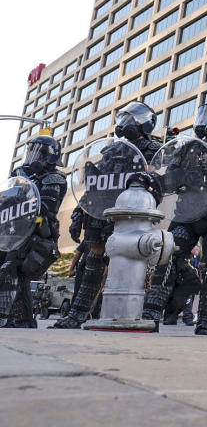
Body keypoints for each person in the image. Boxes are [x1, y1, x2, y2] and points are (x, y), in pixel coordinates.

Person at [54, 103, 162, 329]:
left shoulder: (153, 150)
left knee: (130, 264)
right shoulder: (111, 150)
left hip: (129, 214)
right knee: (92, 263)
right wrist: (79, 212)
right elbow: (94, 186)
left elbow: (159, 183)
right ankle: (77, 314)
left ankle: (138, 314)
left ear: (144, 123)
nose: (125, 124)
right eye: (124, 119)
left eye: (131, 120)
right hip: (102, 213)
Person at [142, 102, 207, 335]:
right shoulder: (187, 149)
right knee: (167, 255)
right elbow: (171, 181)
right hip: (187, 214)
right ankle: (152, 314)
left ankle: (205, 320)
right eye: (204, 115)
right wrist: (153, 178)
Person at [0, 136, 67, 327]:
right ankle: (22, 320)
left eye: (39, 152)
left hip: (38, 234)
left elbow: (46, 206)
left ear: (50, 156)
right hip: (14, 232)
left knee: (13, 272)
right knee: (13, 276)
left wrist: (26, 184)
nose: (33, 156)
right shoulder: (25, 177)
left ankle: (15, 319)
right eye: (32, 151)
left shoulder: (54, 178)